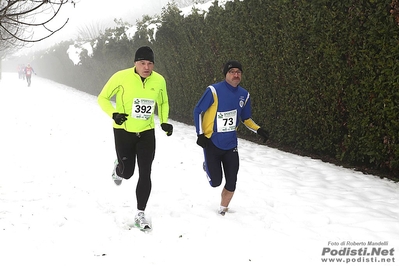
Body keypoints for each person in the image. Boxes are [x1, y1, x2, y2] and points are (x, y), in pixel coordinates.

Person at [97, 46, 173, 230]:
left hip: (146, 132)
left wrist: (163, 122)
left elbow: (163, 102)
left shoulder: (159, 80)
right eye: (142, 63)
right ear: (135, 63)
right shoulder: (120, 77)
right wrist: (114, 114)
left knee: (145, 171)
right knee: (128, 173)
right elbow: (103, 98)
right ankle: (119, 168)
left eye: (150, 63)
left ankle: (140, 213)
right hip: (123, 131)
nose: (146, 67)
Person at [193, 60, 269, 216]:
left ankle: (223, 209)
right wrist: (200, 134)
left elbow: (246, 118)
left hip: (231, 144)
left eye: (238, 72)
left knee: (232, 181)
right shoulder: (213, 91)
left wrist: (259, 130)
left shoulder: (244, 95)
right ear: (226, 74)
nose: (236, 75)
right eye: (232, 72)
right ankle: (207, 166)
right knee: (215, 182)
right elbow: (198, 111)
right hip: (212, 142)